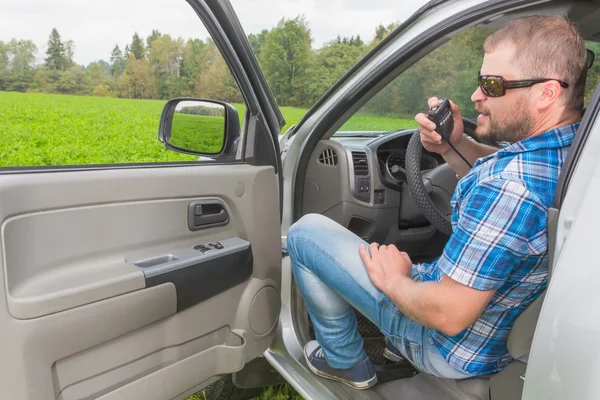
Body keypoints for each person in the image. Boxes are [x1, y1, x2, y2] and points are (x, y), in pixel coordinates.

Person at [286, 15, 588, 390]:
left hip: (444, 345)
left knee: (304, 234)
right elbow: (505, 167)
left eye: (491, 84)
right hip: (498, 338)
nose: (477, 95)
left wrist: (395, 280)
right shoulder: (576, 148)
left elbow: (448, 313)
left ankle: (344, 360)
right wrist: (452, 145)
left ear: (546, 93)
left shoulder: (508, 189)